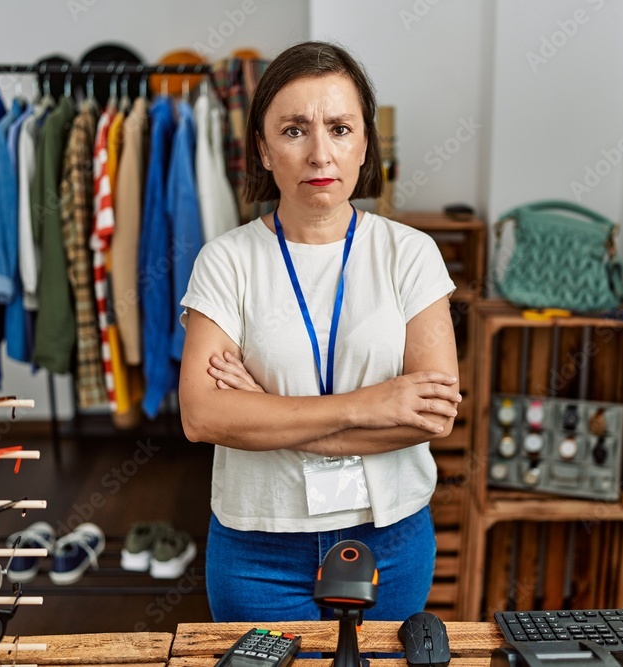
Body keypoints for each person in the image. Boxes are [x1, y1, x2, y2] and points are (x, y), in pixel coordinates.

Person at [178, 41, 461, 622]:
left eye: (339, 128)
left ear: (364, 144)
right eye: (293, 130)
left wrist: (263, 410)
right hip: (258, 550)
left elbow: (431, 416)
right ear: (262, 148)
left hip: (391, 541)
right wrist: (373, 403)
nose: (318, 153)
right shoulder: (226, 261)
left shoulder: (411, 255)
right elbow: (202, 416)